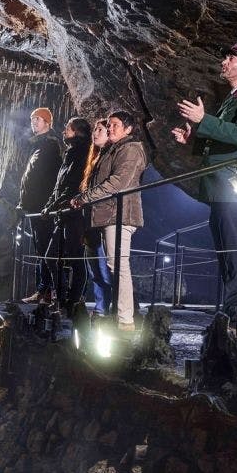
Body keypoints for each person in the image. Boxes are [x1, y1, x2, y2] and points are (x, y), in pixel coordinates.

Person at [172, 39, 237, 342]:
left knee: (236, 256)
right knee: (228, 256)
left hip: (234, 186)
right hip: (224, 186)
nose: (224, 62)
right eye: (226, 57)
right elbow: (227, 136)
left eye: (231, 58)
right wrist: (194, 137)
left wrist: (205, 120)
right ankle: (233, 318)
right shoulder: (235, 98)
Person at [71, 111, 147, 330]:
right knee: (113, 266)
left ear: (128, 129)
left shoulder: (131, 149)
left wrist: (84, 198)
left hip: (120, 215)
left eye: (115, 125)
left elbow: (118, 182)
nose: (110, 128)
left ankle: (125, 319)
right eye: (109, 125)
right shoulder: (111, 151)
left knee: (118, 265)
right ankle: (119, 314)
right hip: (108, 214)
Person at [41, 118, 92, 315]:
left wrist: (54, 205)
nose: (63, 131)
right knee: (51, 257)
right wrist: (49, 205)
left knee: (77, 258)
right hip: (62, 212)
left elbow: (73, 184)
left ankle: (73, 301)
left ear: (77, 132)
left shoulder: (82, 153)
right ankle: (62, 298)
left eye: (67, 129)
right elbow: (59, 185)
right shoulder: (70, 153)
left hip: (74, 212)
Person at [16, 107, 62, 303]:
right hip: (36, 206)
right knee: (40, 249)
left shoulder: (50, 146)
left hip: (43, 207)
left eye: (39, 119)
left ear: (47, 123)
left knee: (45, 248)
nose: (34, 122)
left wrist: (44, 204)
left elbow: (44, 178)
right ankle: (43, 289)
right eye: (33, 119)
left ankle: (48, 290)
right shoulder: (38, 145)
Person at [81, 119, 113, 316]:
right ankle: (101, 306)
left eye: (100, 129)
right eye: (95, 129)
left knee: (105, 268)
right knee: (95, 268)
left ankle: (109, 307)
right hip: (90, 220)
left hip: (103, 218)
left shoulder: (110, 157)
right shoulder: (95, 158)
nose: (95, 132)